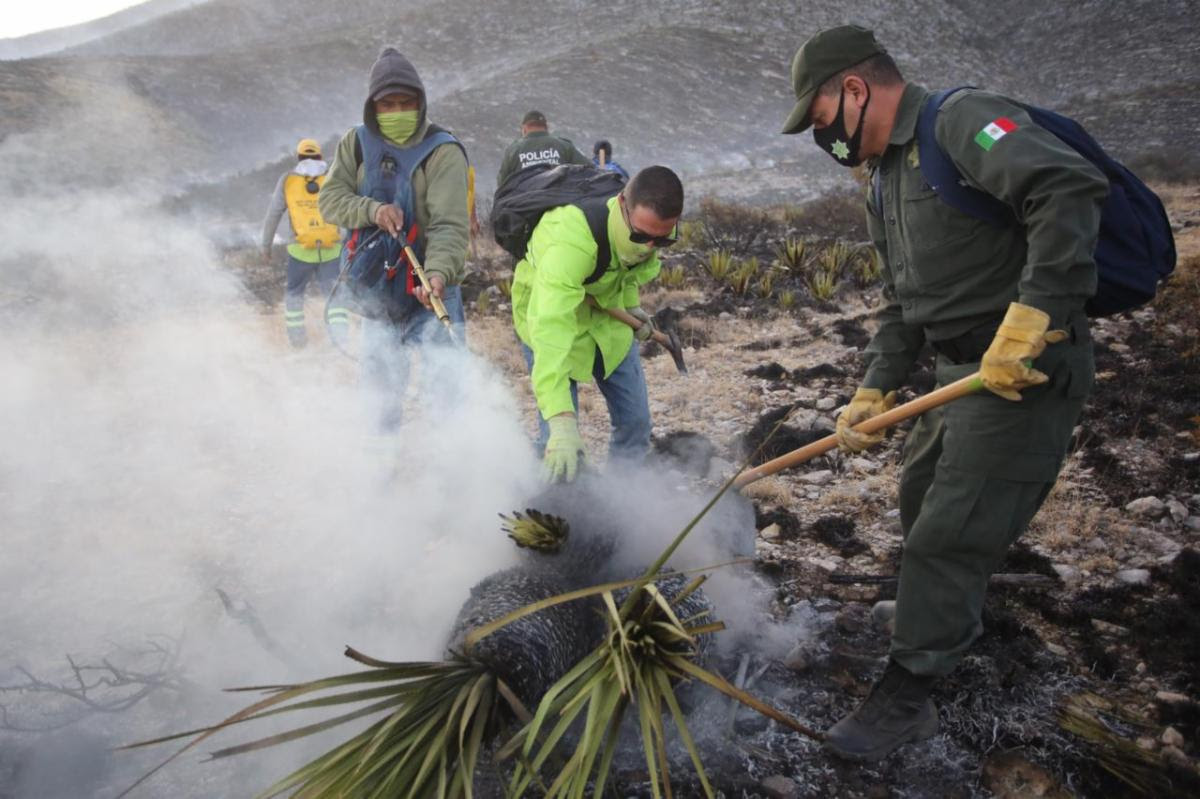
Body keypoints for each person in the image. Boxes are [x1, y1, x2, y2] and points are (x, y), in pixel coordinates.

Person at [780, 25, 1107, 761]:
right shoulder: (885, 182)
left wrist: (1037, 314)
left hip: (1023, 368)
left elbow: (1066, 186)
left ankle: (909, 695)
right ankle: (945, 611)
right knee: (920, 496)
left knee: (946, 534)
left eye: (822, 118)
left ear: (855, 90)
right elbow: (903, 304)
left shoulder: (961, 122)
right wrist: (872, 389)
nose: (822, 137)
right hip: (955, 374)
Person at [318, 46, 469, 431]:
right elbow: (331, 200)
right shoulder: (356, 144)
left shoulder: (443, 151)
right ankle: (379, 476)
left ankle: (456, 479)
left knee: (447, 395)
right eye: (388, 104)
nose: (397, 111)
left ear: (420, 103)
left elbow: (449, 226)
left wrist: (435, 275)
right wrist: (372, 210)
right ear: (373, 107)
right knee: (379, 400)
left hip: (431, 292)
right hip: (379, 293)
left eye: (407, 103)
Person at [513, 166, 683, 482]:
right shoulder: (570, 241)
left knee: (635, 424)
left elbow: (628, 268)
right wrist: (562, 420)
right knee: (559, 439)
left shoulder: (649, 232)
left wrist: (631, 306)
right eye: (641, 236)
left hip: (606, 317)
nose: (649, 248)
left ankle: (619, 502)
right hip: (550, 315)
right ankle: (547, 508)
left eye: (661, 241)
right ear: (622, 205)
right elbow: (550, 329)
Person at [260, 139, 349, 349]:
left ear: (298, 157)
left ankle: (298, 342)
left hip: (300, 251)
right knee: (334, 296)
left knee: (294, 295)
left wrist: (266, 246)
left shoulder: (287, 180)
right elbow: (348, 210)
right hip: (331, 250)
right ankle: (339, 341)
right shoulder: (333, 177)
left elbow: (273, 214)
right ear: (320, 156)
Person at [496, 110, 591, 188]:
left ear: (524, 128)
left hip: (525, 207)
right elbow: (589, 170)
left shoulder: (514, 150)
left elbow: (502, 184)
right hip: (560, 204)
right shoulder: (564, 146)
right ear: (546, 127)